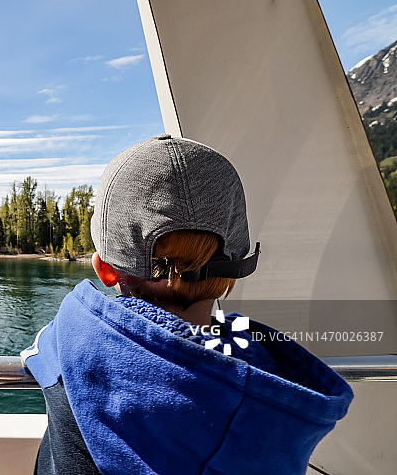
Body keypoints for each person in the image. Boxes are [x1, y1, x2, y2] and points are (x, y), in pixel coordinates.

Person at [21, 134, 353, 475]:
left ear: (105, 270)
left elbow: (45, 345)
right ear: (235, 269)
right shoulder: (279, 390)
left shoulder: (76, 335)